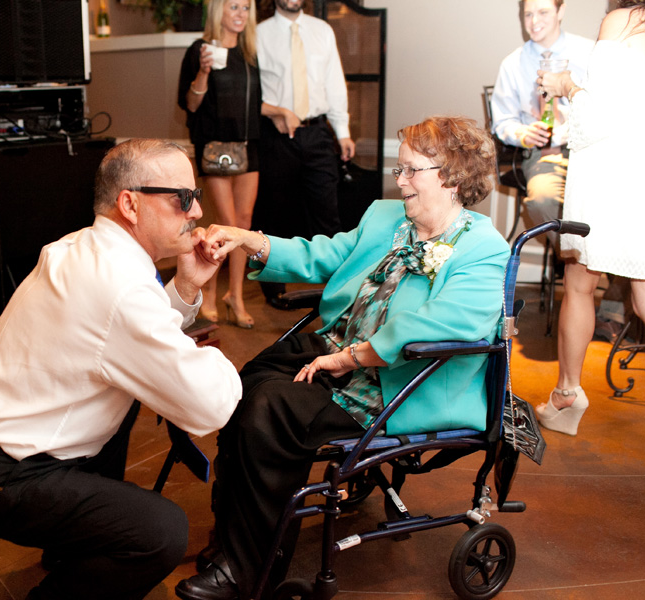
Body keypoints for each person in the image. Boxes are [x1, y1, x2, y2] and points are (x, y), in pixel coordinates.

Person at [174, 116, 510, 600]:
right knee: (245, 384)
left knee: (272, 411)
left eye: (411, 170)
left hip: (396, 382)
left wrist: (352, 358)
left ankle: (246, 572)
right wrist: (249, 239)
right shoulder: (385, 217)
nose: (400, 181)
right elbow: (324, 255)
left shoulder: (484, 250)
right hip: (336, 347)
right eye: (400, 169)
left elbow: (444, 323)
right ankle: (233, 538)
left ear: (452, 177)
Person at [0, 139, 242, 600]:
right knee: (161, 532)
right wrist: (236, 367)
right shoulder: (120, 286)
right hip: (2, 477)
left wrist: (183, 286)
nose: (198, 211)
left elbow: (123, 337)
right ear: (130, 204)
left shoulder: (80, 246)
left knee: (129, 394)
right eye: (183, 198)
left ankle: (71, 549)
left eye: (196, 195)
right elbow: (210, 404)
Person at [536, 1, 645, 435]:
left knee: (579, 283)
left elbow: (595, 119)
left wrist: (566, 84)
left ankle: (567, 394)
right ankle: (565, 396)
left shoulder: (624, 20)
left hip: (611, 175)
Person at [252, 0, 355, 308]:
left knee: (327, 213)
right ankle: (274, 290)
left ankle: (338, 290)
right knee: (275, 214)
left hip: (317, 132)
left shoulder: (322, 30)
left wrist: (343, 131)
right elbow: (252, 91)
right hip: (275, 135)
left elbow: (334, 83)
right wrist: (274, 113)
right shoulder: (257, 34)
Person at [177, 0, 262, 329]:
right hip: (214, 147)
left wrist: (283, 112)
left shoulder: (249, 53)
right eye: (234, 6)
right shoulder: (199, 50)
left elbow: (254, 103)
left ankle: (235, 296)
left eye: (245, 8)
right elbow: (190, 103)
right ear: (219, 11)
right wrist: (204, 70)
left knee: (243, 224)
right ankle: (210, 291)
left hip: (248, 146)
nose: (241, 14)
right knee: (227, 222)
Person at [490, 0, 593, 250]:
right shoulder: (512, 64)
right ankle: (573, 258)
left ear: (561, 10)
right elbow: (502, 121)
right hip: (544, 154)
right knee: (541, 201)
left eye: (543, 12)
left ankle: (599, 265)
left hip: (588, 149)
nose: (534, 22)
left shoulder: (589, 53)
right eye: (528, 14)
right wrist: (522, 134)